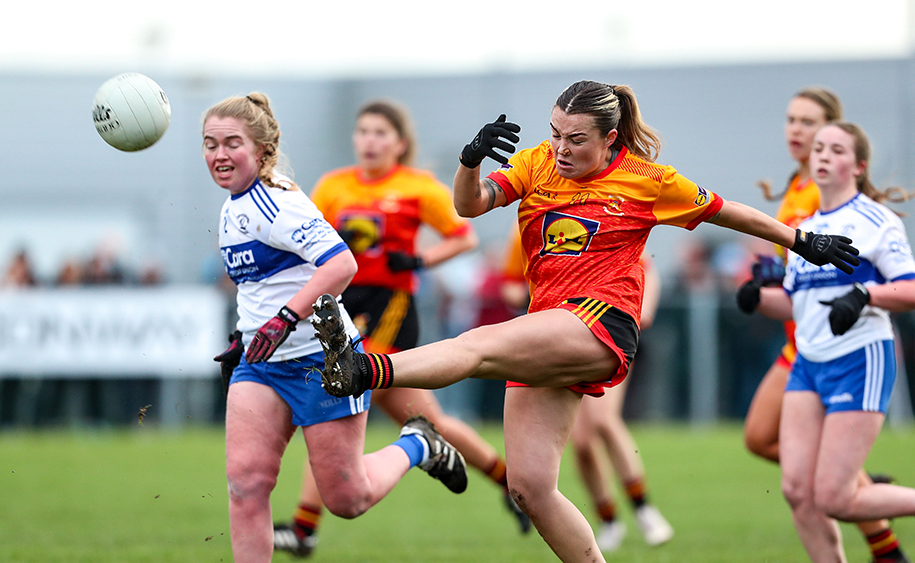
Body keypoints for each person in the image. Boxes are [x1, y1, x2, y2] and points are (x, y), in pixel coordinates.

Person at [310, 80, 860, 563]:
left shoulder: (649, 180)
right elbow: (469, 207)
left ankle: (365, 369)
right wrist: (470, 160)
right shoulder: (534, 163)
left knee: (479, 344)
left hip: (601, 321)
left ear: (610, 140)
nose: (561, 148)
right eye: (555, 133)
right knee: (530, 488)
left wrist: (803, 241)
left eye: (576, 140)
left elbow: (727, 209)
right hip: (548, 324)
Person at [203, 93, 468, 563]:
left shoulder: (278, 202)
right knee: (246, 484)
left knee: (347, 500)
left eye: (231, 143)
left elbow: (340, 264)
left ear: (261, 150)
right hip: (260, 363)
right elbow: (261, 285)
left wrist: (285, 319)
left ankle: (417, 443)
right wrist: (244, 337)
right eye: (209, 144)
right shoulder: (232, 207)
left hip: (320, 360)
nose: (219, 155)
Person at [272, 99, 529, 558]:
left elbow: (463, 236)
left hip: (391, 306)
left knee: (329, 400)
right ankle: (514, 485)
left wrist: (417, 260)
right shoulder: (334, 185)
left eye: (379, 133)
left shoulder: (416, 186)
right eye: (363, 131)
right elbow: (309, 241)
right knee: (434, 421)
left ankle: (304, 528)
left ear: (400, 143)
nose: (369, 141)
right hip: (347, 306)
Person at [742, 121, 915, 563]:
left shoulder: (876, 220)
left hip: (859, 360)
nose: (822, 155)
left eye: (835, 150)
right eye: (818, 148)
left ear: (858, 166)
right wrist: (758, 299)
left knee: (834, 497)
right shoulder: (807, 228)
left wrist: (864, 294)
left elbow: (914, 292)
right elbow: (799, 303)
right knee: (798, 491)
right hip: (808, 363)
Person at [740, 87, 911, 563]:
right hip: (803, 337)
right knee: (760, 439)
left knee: (793, 462)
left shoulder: (825, 191)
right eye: (791, 120)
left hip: (832, 342)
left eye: (808, 123)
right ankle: (856, 485)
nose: (796, 130)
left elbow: (856, 254)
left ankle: (875, 524)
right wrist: (770, 279)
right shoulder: (797, 188)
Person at [569, 254, 674, 551]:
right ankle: (609, 521)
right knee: (582, 443)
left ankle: (643, 509)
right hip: (564, 338)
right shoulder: (529, 225)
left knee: (603, 419)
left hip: (608, 333)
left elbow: (648, 267)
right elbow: (512, 283)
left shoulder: (595, 213)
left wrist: (644, 312)